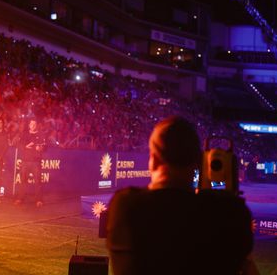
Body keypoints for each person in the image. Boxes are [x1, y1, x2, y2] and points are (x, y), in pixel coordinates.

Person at [105, 116, 257, 275]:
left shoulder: (126, 205)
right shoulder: (231, 213)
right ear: (199, 161)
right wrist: (229, 200)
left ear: (154, 160)